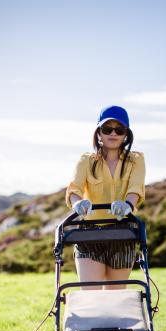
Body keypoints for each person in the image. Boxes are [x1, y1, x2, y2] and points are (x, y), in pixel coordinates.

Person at [66, 105, 145, 290]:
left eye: (119, 129)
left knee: (114, 295)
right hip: (89, 233)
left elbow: (135, 187)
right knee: (90, 292)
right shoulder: (86, 160)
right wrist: (78, 203)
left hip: (122, 233)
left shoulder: (136, 160)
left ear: (126, 134)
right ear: (99, 133)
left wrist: (127, 205)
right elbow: (74, 188)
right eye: (107, 128)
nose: (113, 133)